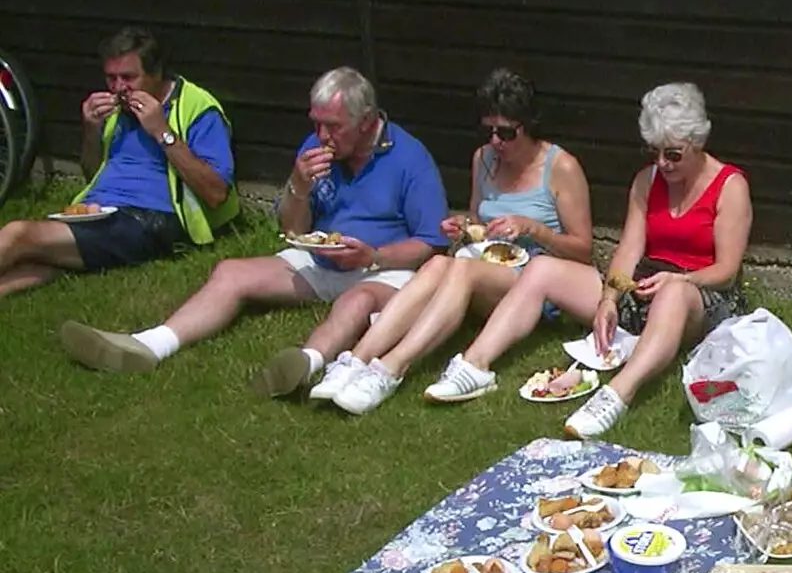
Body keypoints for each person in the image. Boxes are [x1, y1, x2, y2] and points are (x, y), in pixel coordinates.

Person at [59, 66, 449, 390]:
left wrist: (373, 255)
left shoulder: (410, 158)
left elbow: (431, 244)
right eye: (316, 124)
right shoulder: (314, 147)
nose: (323, 136)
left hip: (383, 268)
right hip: (323, 257)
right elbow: (292, 227)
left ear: (366, 123)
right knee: (230, 272)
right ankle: (149, 345)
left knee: (355, 302)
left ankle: (306, 363)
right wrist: (299, 185)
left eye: (333, 127)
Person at [419, 81, 752, 438]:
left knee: (672, 294)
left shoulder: (730, 186)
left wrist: (681, 280)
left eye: (672, 154)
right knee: (542, 267)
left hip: (698, 292)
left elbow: (726, 271)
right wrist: (609, 298)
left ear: (698, 143)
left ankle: (616, 394)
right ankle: (475, 365)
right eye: (653, 151)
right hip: (644, 284)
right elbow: (628, 249)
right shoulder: (646, 180)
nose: (661, 163)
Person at [316, 68, 594, 414]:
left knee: (461, 269)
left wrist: (533, 228)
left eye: (506, 133)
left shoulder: (561, 167)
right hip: (490, 270)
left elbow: (583, 250)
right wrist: (465, 227)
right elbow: (479, 220)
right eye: (489, 130)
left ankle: (391, 368)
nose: (496, 141)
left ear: (529, 126)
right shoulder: (484, 159)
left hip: (537, 285)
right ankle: (356, 360)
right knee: (437, 263)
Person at [0, 26, 237, 299]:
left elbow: (216, 193)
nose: (118, 87)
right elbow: (92, 173)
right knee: (43, 260)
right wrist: (91, 129)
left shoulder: (197, 108)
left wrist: (163, 132)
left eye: (128, 77)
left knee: (19, 234)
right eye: (111, 78)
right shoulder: (117, 111)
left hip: (150, 219)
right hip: (97, 210)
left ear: (156, 73)